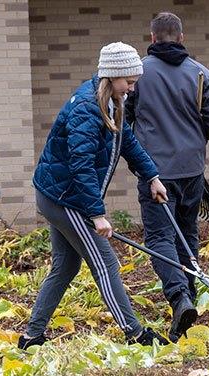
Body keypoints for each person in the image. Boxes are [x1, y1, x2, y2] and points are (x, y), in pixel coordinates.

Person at [19, 42, 169, 350]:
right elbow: (81, 164)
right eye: (129, 81)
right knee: (105, 263)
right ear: (112, 76)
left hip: (62, 194)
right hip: (64, 198)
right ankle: (135, 333)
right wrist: (96, 213)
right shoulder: (87, 107)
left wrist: (152, 176)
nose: (132, 87)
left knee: (65, 266)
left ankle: (31, 336)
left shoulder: (113, 102)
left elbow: (127, 142)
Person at [125, 12, 209, 343]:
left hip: (155, 170)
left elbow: (124, 120)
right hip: (192, 169)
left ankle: (179, 297)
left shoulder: (137, 76)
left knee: (159, 238)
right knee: (187, 231)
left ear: (152, 38)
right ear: (181, 38)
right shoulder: (200, 73)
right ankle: (191, 294)